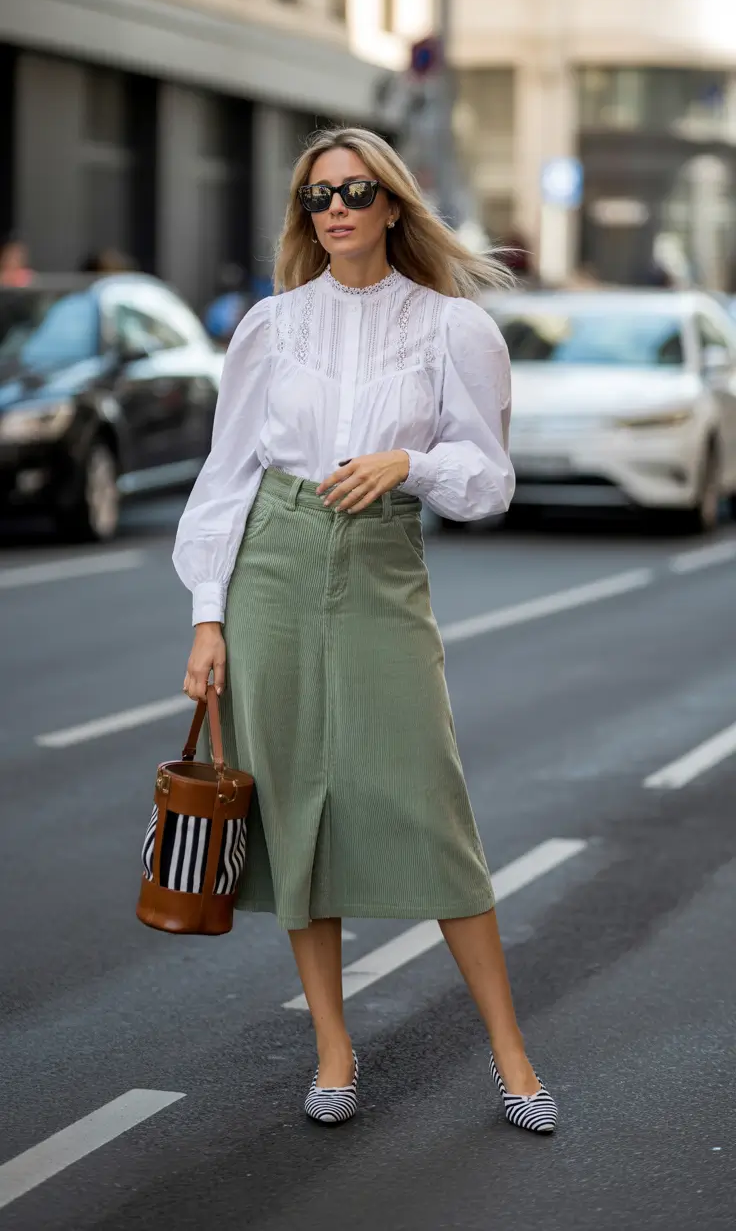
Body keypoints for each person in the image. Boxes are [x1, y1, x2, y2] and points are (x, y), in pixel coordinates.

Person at [172, 127, 558, 1135]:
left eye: (354, 190)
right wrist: (208, 617)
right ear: (306, 215)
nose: (334, 208)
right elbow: (226, 478)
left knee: (427, 801)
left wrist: (408, 465)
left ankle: (511, 1058)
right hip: (274, 562)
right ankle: (333, 1048)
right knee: (295, 802)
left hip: (382, 560)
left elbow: (488, 481)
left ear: (392, 205)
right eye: (316, 196)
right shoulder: (269, 325)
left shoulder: (453, 329)